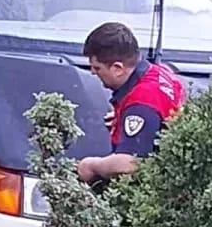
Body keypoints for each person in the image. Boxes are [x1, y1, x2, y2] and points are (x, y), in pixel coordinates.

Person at [76, 21, 185, 184]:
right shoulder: (158, 73)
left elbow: (129, 164)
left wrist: (92, 166)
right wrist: (124, 116)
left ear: (118, 68)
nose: (92, 72)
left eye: (97, 68)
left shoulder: (141, 104)